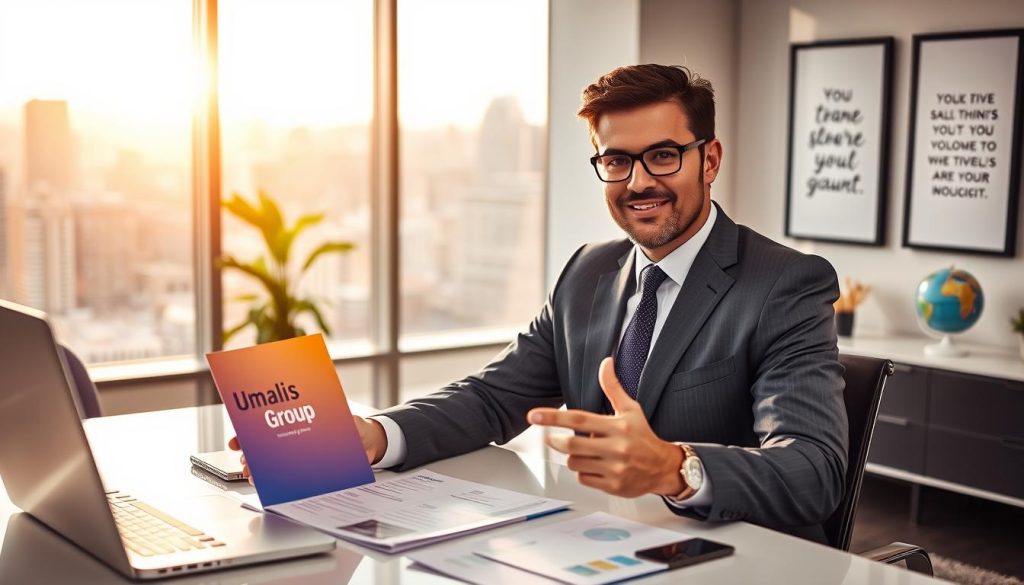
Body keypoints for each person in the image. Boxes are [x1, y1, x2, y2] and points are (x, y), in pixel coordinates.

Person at [232, 64, 848, 543]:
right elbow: (496, 396)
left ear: (708, 159)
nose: (638, 182)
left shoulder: (786, 285)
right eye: (616, 160)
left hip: (735, 559)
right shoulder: (588, 270)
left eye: (663, 155)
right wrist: (373, 434)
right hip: (601, 543)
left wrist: (674, 467)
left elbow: (814, 471)